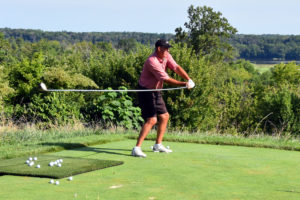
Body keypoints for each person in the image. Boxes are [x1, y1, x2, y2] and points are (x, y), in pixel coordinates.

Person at [131, 39, 195, 158]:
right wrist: (184, 84)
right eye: (166, 48)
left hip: (156, 91)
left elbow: (176, 67)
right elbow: (166, 79)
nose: (168, 50)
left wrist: (188, 79)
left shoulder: (166, 56)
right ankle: (136, 148)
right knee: (152, 120)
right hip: (146, 91)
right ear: (159, 49)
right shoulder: (152, 61)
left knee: (165, 116)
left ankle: (158, 145)